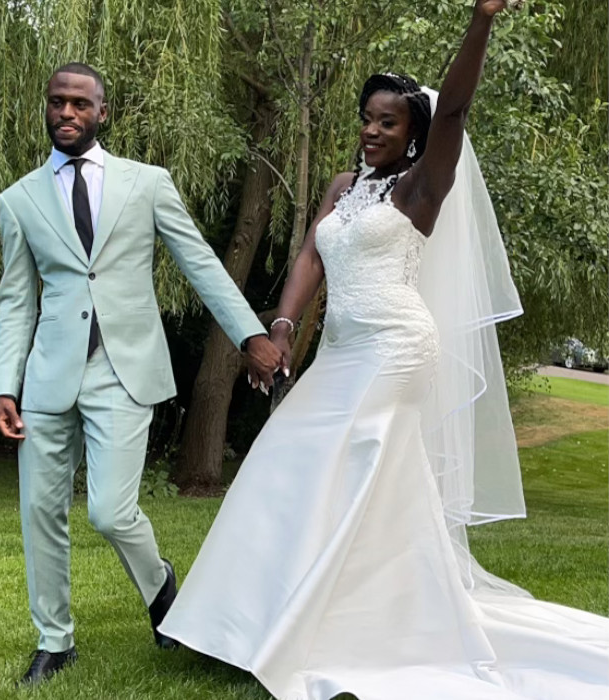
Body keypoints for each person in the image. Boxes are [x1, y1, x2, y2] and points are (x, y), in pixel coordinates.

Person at [159, 2, 609, 699]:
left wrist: (482, 23)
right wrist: (281, 328)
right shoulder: (346, 188)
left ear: (414, 134)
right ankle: (248, 621)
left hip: (395, 348)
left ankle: (328, 631)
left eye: (387, 121)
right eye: (367, 118)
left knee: (352, 472)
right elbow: (312, 252)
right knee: (289, 461)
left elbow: (454, 112)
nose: (371, 130)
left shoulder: (421, 187)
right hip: (341, 350)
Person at [0, 62, 282, 686]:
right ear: (46, 109)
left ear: (102, 112)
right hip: (46, 377)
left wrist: (250, 335)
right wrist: (3, 386)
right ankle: (54, 639)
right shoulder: (18, 200)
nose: (66, 113)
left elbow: (200, 263)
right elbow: (17, 300)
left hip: (123, 372)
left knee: (110, 512)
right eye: (56, 103)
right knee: (39, 509)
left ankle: (160, 586)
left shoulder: (146, 184)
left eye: (79, 104)